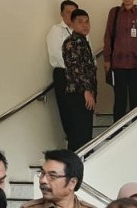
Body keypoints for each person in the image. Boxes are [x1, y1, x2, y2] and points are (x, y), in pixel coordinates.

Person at [103, 0, 137, 122]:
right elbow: (108, 36)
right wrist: (107, 58)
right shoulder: (114, 13)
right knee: (120, 100)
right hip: (118, 64)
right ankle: (116, 132)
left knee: (136, 99)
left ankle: (135, 130)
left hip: (136, 64)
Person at [62, 9, 97, 152]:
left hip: (84, 91)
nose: (85, 25)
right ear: (72, 23)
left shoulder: (82, 41)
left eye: (87, 21)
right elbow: (77, 69)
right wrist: (87, 90)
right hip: (79, 93)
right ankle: (79, 162)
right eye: (80, 22)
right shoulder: (73, 42)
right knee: (80, 133)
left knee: (84, 131)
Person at [46, 1, 79, 139]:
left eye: (74, 12)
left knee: (80, 110)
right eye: (68, 12)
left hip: (80, 76)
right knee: (67, 111)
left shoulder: (80, 30)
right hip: (64, 74)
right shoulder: (56, 30)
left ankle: (82, 143)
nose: (71, 15)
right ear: (62, 14)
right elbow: (56, 54)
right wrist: (76, 67)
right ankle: (73, 142)